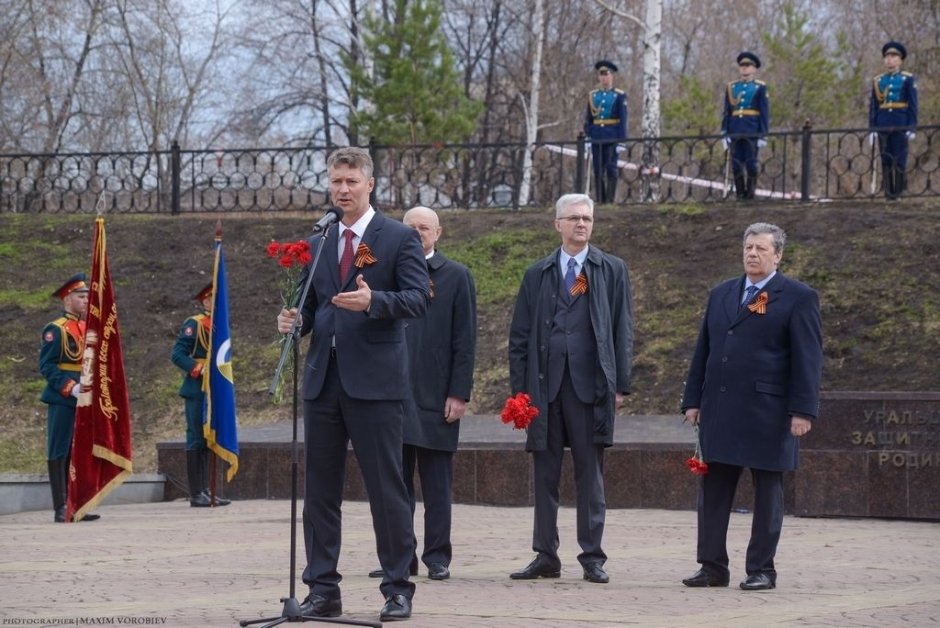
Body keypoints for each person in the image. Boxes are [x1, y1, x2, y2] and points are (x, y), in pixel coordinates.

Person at [276, 147, 429, 622]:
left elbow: (417, 298)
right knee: (320, 490)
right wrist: (293, 319)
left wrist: (373, 301)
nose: (342, 190)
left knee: (387, 488)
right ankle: (322, 588)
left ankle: (398, 587)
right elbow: (313, 302)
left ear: (370, 183)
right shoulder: (321, 237)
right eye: (336, 181)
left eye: (351, 181)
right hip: (324, 381)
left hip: (376, 383)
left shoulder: (398, 237)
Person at [680, 222, 822, 591]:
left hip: (768, 413)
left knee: (768, 494)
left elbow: (808, 359)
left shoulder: (797, 296)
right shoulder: (722, 293)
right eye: (748, 247)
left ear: (778, 255)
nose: (752, 254)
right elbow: (704, 352)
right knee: (713, 492)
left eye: (761, 248)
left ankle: (762, 569)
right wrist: (693, 400)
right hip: (721, 409)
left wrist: (803, 410)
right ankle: (712, 566)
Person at [508, 193, 633, 585]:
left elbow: (622, 329)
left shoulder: (611, 269)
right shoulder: (538, 272)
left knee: (589, 476)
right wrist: (520, 393)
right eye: (573, 218)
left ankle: (592, 556)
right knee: (544, 475)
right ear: (557, 224)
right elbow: (520, 337)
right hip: (543, 390)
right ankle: (545, 555)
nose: (581, 224)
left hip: (589, 388)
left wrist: (619, 385)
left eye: (587, 218)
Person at [367, 206, 477, 582]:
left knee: (436, 485)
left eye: (424, 228)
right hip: (390, 393)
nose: (416, 233)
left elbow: (465, 340)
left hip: (436, 394)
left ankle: (437, 556)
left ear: (438, 233)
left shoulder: (456, 276)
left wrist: (459, 393)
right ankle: (398, 558)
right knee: (393, 486)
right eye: (409, 227)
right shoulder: (384, 273)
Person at [39, 273, 99, 523]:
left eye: (87, 296)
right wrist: (70, 387)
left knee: (80, 451)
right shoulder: (56, 329)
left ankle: (78, 503)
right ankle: (61, 505)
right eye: (80, 296)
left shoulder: (88, 328)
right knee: (60, 448)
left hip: (85, 398)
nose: (86, 300)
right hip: (64, 397)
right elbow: (48, 366)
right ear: (67, 299)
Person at [170, 283, 230, 508]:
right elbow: (177, 354)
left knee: (208, 439)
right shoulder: (194, 324)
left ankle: (207, 490)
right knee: (196, 437)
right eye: (214, 299)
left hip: (215, 389)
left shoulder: (219, 325)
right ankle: (196, 493)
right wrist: (198, 369)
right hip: (197, 389)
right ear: (205, 301)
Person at [869, 41, 918, 200]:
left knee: (900, 158)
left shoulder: (907, 79)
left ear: (900, 60)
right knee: (886, 158)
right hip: (883, 123)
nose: (889, 60)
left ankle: (898, 193)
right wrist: (872, 129)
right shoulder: (878, 80)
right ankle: (888, 193)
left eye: (893, 56)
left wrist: (911, 126)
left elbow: (913, 104)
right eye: (887, 57)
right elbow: (874, 107)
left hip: (901, 122)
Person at [721, 52, 770, 200]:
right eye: (742, 66)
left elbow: (764, 111)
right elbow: (727, 111)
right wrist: (724, 131)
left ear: (754, 69)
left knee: (751, 164)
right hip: (735, 129)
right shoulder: (731, 87)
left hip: (751, 129)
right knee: (736, 165)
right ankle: (740, 194)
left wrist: (763, 133)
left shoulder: (759, 87)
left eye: (747, 66)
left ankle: (750, 194)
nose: (744, 68)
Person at [584, 60, 627, 204]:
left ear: (612, 76)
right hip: (597, 135)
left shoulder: (619, 96)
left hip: (612, 136)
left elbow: (623, 119)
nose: (603, 78)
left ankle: (610, 200)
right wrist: (588, 136)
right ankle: (601, 200)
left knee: (611, 169)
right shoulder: (593, 95)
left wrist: (621, 140)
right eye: (601, 75)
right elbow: (589, 119)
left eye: (606, 75)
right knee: (597, 170)